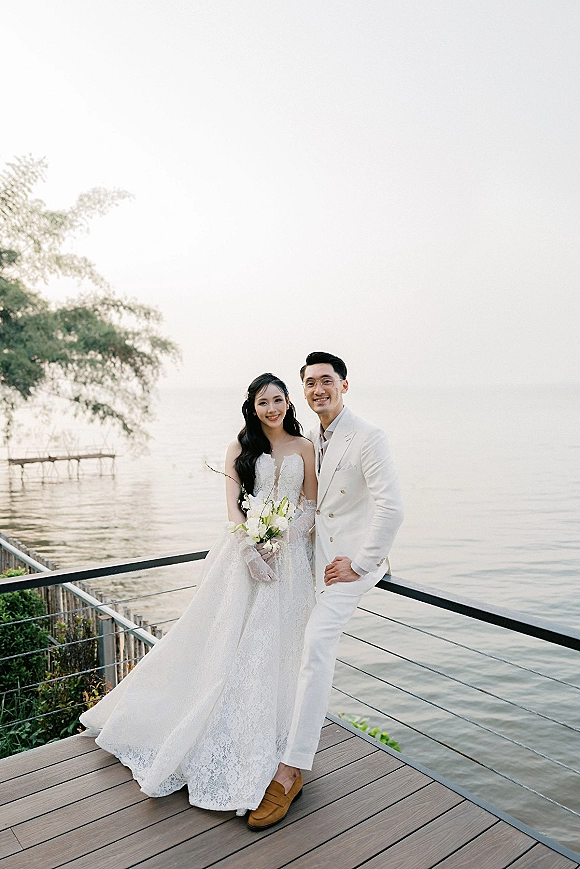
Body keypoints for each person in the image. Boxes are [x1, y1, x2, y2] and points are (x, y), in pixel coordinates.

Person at [80, 373, 317, 816]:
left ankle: (276, 740)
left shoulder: (305, 448)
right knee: (225, 646)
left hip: (290, 565)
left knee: (276, 651)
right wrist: (251, 546)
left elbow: (311, 508)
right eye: (264, 401)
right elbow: (232, 507)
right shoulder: (240, 448)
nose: (272, 408)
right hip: (242, 557)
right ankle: (214, 734)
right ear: (252, 405)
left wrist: (283, 538)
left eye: (279, 400)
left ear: (289, 403)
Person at [247, 351, 403, 830]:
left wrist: (360, 563)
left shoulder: (369, 436)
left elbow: (391, 509)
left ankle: (291, 769)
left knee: (315, 648)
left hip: (344, 569)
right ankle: (271, 738)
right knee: (288, 645)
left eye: (326, 381)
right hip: (307, 564)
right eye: (310, 383)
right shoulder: (312, 437)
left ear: (344, 385)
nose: (319, 389)